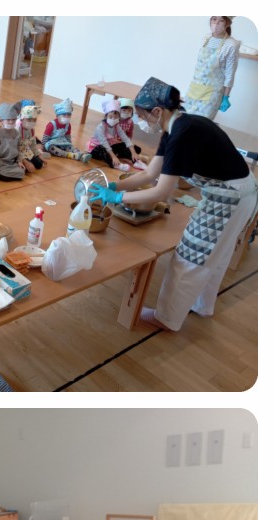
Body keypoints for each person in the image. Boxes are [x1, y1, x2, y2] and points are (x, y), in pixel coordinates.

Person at [88, 76, 257, 332]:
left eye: (142, 116)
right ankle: (203, 306)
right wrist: (115, 186)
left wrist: (118, 199)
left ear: (157, 111)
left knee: (190, 256)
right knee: (215, 254)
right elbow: (149, 174)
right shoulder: (175, 128)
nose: (141, 121)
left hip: (229, 198)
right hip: (240, 192)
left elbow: (160, 192)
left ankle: (166, 318)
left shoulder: (182, 135)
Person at [183, 16, 239, 120]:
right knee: (184, 120)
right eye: (214, 19)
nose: (216, 23)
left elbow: (230, 73)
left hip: (212, 93)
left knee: (201, 124)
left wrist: (226, 97)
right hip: (194, 88)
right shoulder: (206, 38)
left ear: (227, 23)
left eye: (221, 20)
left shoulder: (231, 44)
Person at [85, 99, 135, 170]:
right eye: (110, 117)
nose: (113, 119)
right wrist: (113, 157)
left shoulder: (117, 126)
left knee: (126, 145)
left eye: (116, 117)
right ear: (106, 116)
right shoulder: (100, 127)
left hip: (109, 147)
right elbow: (104, 143)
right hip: (96, 149)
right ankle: (116, 164)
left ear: (119, 117)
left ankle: (135, 160)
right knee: (102, 149)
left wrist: (133, 153)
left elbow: (125, 138)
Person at [0, 102, 25, 181]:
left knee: (21, 172)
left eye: (13, 119)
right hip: (0, 161)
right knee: (6, 176)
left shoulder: (17, 133)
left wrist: (19, 161)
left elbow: (19, 148)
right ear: (1, 120)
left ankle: (0, 173)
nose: (11, 122)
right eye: (8, 120)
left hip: (11, 162)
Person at [17, 104, 46, 172]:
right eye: (29, 119)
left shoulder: (32, 129)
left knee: (39, 164)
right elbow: (14, 148)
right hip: (16, 153)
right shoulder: (18, 129)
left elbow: (33, 144)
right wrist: (24, 161)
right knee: (25, 169)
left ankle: (39, 152)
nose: (32, 122)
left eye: (34, 120)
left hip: (25, 150)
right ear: (22, 119)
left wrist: (38, 155)